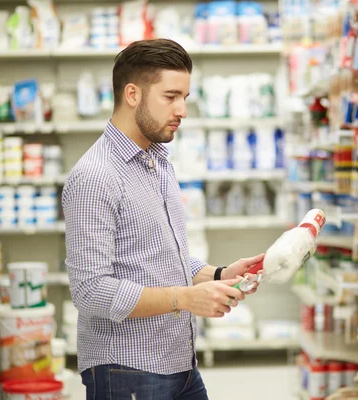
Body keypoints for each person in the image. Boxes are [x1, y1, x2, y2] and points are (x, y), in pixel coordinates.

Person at [62, 38, 264, 400]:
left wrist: (219, 274)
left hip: (180, 363)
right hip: (127, 370)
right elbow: (91, 291)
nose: (183, 109)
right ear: (133, 94)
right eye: (171, 96)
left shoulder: (157, 161)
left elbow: (160, 257)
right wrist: (186, 299)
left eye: (185, 97)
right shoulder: (96, 176)